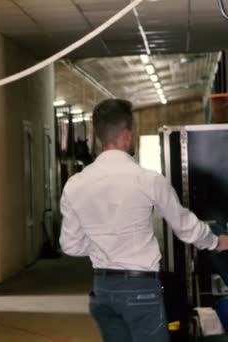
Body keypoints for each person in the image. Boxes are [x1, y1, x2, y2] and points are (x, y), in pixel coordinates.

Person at [59, 98, 228, 342]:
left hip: (102, 292)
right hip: (140, 291)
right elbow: (185, 227)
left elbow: (70, 245)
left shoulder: (75, 184)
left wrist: (103, 243)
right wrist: (215, 242)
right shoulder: (147, 180)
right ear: (126, 135)